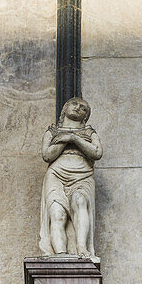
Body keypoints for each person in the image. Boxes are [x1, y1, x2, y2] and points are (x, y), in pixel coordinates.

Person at [39, 97, 102, 259]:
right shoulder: (52, 131)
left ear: (86, 116)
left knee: (80, 201)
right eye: (75, 104)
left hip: (82, 175)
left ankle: (82, 248)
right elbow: (47, 155)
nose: (78, 108)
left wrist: (74, 138)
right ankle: (60, 254)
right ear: (65, 108)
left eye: (84, 108)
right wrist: (65, 138)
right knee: (56, 214)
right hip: (57, 174)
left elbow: (97, 153)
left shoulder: (89, 132)